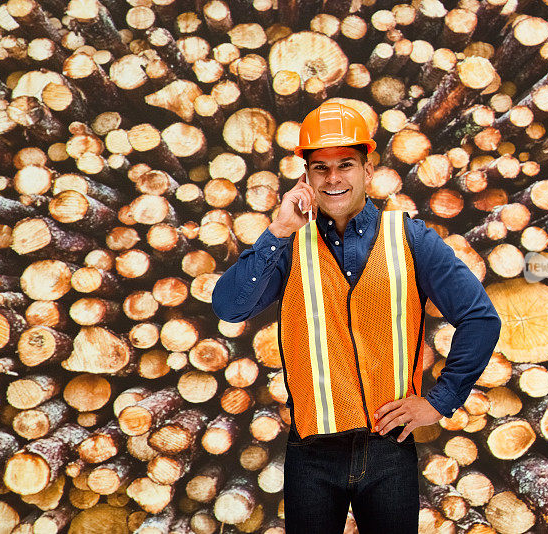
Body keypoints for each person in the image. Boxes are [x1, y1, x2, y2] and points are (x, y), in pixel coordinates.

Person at [212, 102, 502, 534]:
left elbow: (480, 318)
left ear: (368, 169)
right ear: (305, 177)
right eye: (320, 168)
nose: (333, 179)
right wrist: (277, 231)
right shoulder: (289, 244)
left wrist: (439, 402)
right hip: (310, 453)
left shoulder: (411, 238)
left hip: (389, 450)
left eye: (346, 164)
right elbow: (230, 307)